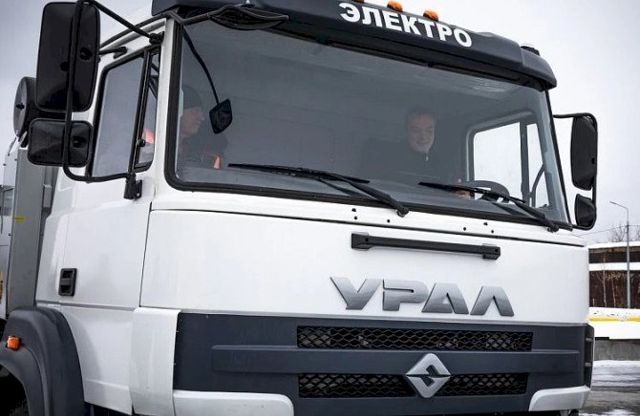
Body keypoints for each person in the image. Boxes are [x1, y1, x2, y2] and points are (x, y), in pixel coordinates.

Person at [177, 86, 228, 173]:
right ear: (178, 112)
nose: (202, 118)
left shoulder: (196, 150)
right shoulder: (156, 146)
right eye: (195, 111)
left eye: (201, 112)